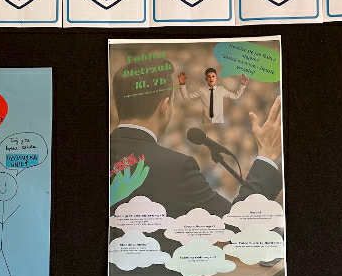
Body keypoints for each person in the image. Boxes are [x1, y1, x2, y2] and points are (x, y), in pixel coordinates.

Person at [109, 66, 282, 221]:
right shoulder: (176, 167)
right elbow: (234, 225)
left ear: (116, 106)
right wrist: (267, 155)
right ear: (165, 107)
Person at [176, 67, 248, 125]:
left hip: (218, 122)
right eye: (209, 77)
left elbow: (236, 96)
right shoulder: (202, 90)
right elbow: (186, 97)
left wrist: (242, 85)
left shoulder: (221, 89)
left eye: (213, 76)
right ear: (206, 79)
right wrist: (182, 84)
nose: (211, 78)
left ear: (216, 78)